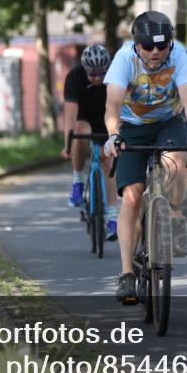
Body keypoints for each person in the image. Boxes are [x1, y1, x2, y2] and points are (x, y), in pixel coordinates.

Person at [102, 11, 187, 304]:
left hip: (168, 122)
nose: (155, 52)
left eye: (161, 46)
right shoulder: (124, 60)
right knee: (132, 198)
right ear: (137, 45)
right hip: (132, 127)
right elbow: (112, 106)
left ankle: (175, 219)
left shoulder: (179, 57)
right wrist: (114, 135)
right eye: (148, 46)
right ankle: (127, 275)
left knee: (176, 160)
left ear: (170, 44)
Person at [61, 44, 119, 239]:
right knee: (79, 131)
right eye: (92, 74)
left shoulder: (115, 76)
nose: (97, 78)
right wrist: (67, 144)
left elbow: (122, 108)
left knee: (107, 160)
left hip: (106, 119)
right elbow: (70, 116)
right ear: (84, 69)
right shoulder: (74, 77)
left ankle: (112, 217)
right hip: (84, 118)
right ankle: (77, 181)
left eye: (100, 74)